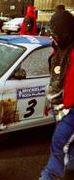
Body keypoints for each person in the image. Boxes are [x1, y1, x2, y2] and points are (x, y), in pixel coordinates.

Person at [40, 10, 74, 180]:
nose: (53, 38)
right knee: (69, 146)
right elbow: (56, 79)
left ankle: (49, 176)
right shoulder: (58, 50)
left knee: (59, 145)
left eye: (56, 34)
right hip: (60, 108)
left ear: (67, 33)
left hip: (71, 111)